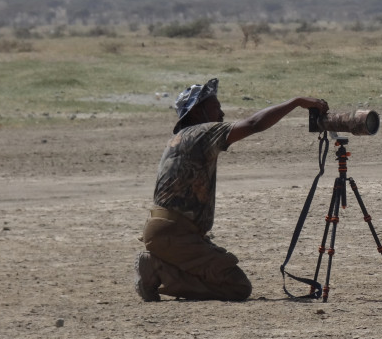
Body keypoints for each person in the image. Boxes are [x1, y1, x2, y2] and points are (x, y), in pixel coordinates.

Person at [134, 78, 329, 302]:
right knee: (236, 287)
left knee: (217, 275)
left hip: (168, 230)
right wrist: (296, 102)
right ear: (198, 112)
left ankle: (161, 264)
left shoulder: (182, 138)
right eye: (215, 107)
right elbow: (254, 124)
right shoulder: (202, 132)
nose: (221, 113)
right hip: (175, 234)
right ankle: (159, 269)